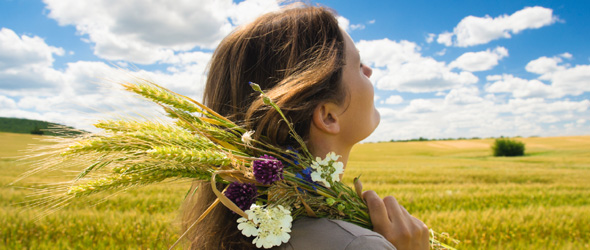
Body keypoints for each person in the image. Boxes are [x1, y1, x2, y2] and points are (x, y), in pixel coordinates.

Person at [180, 4, 429, 250]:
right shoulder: (357, 244)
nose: (369, 70)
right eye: (358, 65)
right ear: (329, 116)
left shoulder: (236, 234)